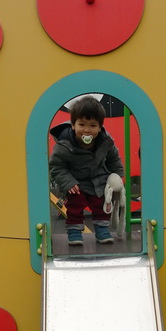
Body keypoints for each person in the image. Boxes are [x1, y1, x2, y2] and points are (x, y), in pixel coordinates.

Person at [49, 95, 124, 246]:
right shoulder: (65, 145)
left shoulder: (105, 142)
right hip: (76, 182)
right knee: (75, 206)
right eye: (82, 124)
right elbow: (56, 166)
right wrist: (68, 182)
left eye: (93, 126)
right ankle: (74, 231)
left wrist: (119, 177)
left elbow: (113, 159)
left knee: (102, 205)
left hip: (99, 179)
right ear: (73, 125)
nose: (87, 130)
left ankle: (102, 230)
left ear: (100, 127)